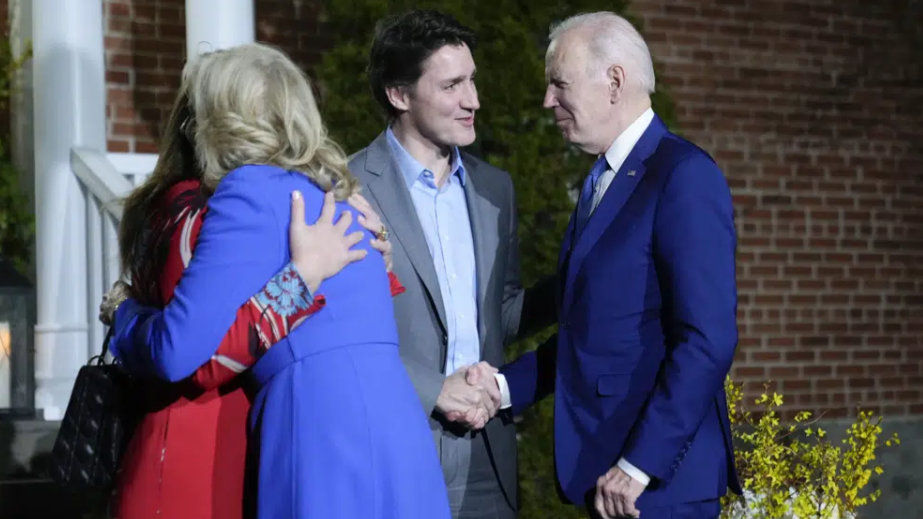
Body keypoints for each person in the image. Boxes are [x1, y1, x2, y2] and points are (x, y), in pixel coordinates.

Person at [105, 42, 451, 519]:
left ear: (218, 119)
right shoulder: (341, 197)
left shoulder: (247, 190)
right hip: (399, 428)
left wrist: (124, 314)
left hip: (319, 423)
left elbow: (178, 352)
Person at [467, 12, 742, 519]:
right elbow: (591, 333)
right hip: (605, 476)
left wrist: (640, 465)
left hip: (658, 487)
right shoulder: (602, 179)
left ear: (614, 81)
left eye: (559, 83)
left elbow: (709, 339)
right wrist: (502, 389)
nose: (548, 100)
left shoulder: (683, 176)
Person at [346, 9, 556, 519]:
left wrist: (577, 280)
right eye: (452, 85)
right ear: (399, 95)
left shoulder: (495, 189)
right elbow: (336, 334)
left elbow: (501, 314)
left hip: (488, 454)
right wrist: (432, 389)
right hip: (393, 449)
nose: (473, 100)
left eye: (472, 80)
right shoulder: (347, 187)